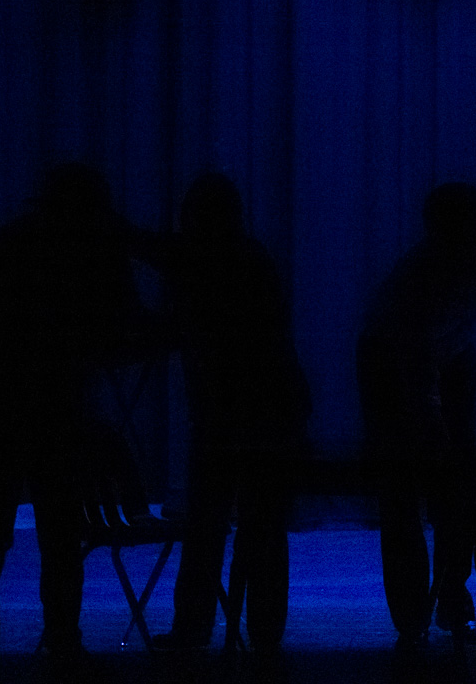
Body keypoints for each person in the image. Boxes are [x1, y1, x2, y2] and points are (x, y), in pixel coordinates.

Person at [0, 163, 149, 679]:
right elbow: (120, 328)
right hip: (56, 408)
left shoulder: (2, 245)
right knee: (60, 533)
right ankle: (63, 639)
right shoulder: (88, 254)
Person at [357, 183, 476, 652]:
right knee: (411, 483)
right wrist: (435, 429)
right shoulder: (424, 277)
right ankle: (429, 606)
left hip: (437, 356)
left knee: (435, 484)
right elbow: (415, 361)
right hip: (392, 361)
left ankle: (440, 602)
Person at [125, 173, 310, 654]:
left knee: (208, 525)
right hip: (272, 410)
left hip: (229, 415)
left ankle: (195, 631)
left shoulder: (205, 260)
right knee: (260, 526)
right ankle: (263, 633)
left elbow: (156, 257)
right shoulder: (248, 259)